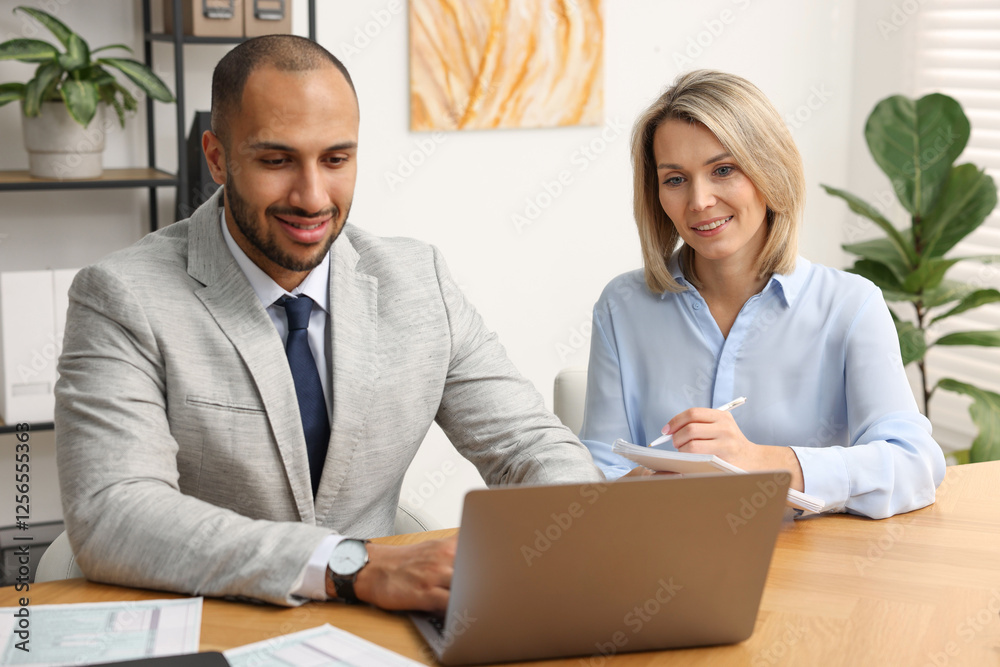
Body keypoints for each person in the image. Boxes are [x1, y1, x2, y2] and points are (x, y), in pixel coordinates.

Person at [54, 35, 602, 611]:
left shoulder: (420, 282)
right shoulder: (120, 296)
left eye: (336, 159)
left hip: (380, 630)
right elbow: (113, 512)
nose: (313, 197)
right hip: (208, 619)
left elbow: (527, 444)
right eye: (276, 160)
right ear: (217, 158)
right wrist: (351, 566)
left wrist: (577, 531)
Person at [579, 70, 945, 519]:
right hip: (667, 570)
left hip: (813, 573)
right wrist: (645, 484)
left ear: (769, 170)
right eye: (675, 179)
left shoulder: (850, 306)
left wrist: (764, 463)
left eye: (723, 170)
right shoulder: (622, 307)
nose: (700, 201)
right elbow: (597, 472)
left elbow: (916, 465)